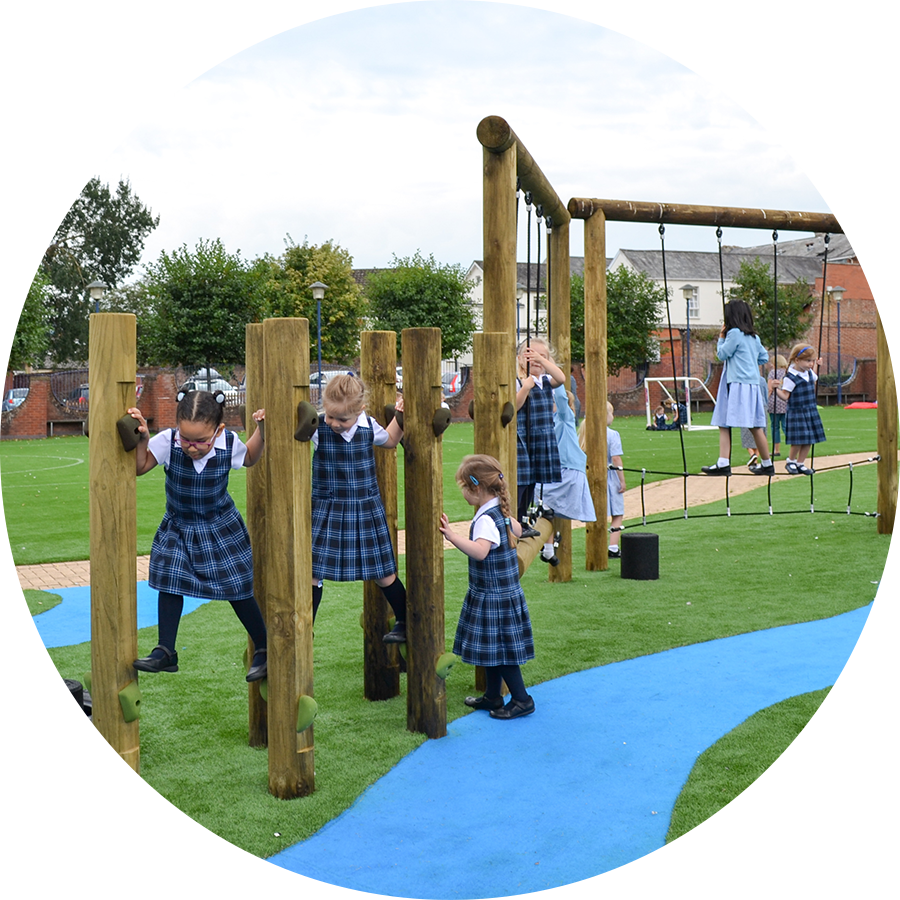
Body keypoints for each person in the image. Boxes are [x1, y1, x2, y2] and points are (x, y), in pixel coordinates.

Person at [128, 390, 269, 681]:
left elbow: (252, 457)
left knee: (238, 588)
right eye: (186, 438)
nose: (192, 447)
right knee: (169, 579)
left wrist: (262, 431)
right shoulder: (168, 441)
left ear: (218, 430)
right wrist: (142, 439)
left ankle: (265, 648)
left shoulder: (228, 443)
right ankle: (166, 651)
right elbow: (140, 467)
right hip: (180, 525)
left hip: (220, 527)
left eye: (200, 441)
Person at [311, 374, 408, 641]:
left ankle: (405, 619)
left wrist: (399, 418)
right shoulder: (317, 427)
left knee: (383, 572)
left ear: (360, 410)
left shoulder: (368, 426)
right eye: (330, 416)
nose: (334, 423)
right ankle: (304, 627)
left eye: (342, 419)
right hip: (327, 507)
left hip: (364, 507)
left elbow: (389, 440)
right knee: (312, 570)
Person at [439, 454, 535, 720]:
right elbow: (517, 529)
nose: (463, 494)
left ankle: (522, 699)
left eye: (463, 487)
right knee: (494, 650)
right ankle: (493, 696)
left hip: (494, 596)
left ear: (476, 488)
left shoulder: (485, 519)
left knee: (502, 653)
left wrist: (452, 536)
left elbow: (480, 552)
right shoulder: (500, 511)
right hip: (503, 594)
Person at [702, 300, 774, 477]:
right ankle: (767, 463)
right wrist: (748, 363)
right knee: (755, 426)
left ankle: (723, 463)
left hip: (736, 384)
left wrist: (721, 338)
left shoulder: (733, 333)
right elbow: (763, 357)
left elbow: (722, 354)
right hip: (753, 384)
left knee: (723, 423)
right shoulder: (754, 337)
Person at [533, 387, 596, 547]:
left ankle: (545, 533)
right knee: (540, 499)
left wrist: (554, 378)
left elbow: (561, 397)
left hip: (569, 470)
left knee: (537, 493)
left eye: (551, 401)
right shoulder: (549, 421)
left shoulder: (565, 417)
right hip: (559, 471)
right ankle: (548, 547)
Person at [515, 339, 565, 531]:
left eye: (542, 357)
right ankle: (516, 518)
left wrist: (542, 361)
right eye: (530, 356)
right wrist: (526, 387)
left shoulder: (546, 381)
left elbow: (560, 378)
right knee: (523, 480)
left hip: (542, 437)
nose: (536, 360)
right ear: (520, 359)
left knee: (533, 481)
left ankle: (523, 517)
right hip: (525, 438)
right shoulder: (520, 382)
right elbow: (515, 406)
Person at [773, 344, 826, 475]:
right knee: (798, 441)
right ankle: (790, 461)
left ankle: (800, 463)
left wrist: (817, 366)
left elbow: (815, 378)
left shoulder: (808, 373)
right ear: (797, 360)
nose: (811, 364)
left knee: (809, 440)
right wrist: (776, 390)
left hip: (810, 411)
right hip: (797, 412)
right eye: (808, 361)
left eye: (812, 361)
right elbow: (785, 396)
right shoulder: (791, 378)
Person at [605, 402, 626, 558]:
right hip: (610, 476)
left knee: (597, 512)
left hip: (590, 474)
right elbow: (615, 457)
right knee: (617, 513)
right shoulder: (612, 434)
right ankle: (613, 546)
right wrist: (622, 480)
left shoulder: (585, 432)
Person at [767, 354, 789, 457]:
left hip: (774, 402)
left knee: (774, 427)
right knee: (786, 426)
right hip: (785, 401)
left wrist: (766, 399)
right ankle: (795, 446)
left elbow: (770, 389)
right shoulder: (787, 373)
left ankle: (776, 450)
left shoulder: (773, 373)